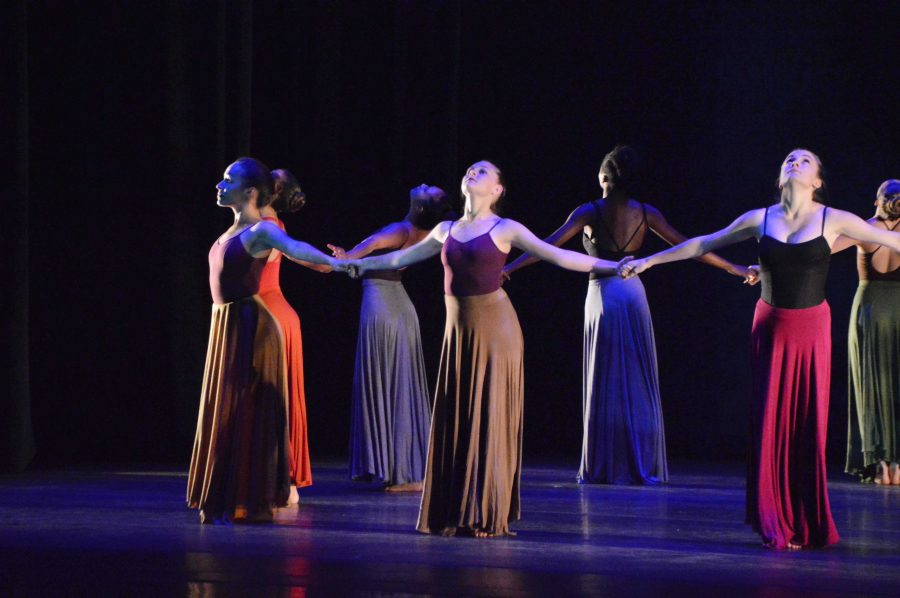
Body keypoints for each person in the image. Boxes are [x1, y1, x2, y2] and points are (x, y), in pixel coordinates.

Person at [618, 149, 900, 549]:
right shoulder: (760, 218)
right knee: (770, 419)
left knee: (807, 423)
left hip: (811, 328)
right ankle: (773, 518)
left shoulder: (833, 218)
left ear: (817, 181)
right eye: (790, 159)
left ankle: (804, 517)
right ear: (779, 173)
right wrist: (649, 262)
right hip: (770, 325)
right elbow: (702, 243)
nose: (795, 163)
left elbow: (889, 238)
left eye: (805, 161)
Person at [346, 161, 619, 537]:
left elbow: (558, 255)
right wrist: (348, 262)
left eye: (484, 171)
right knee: (459, 419)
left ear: (497, 190)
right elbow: (396, 259)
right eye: (471, 169)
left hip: (495, 330)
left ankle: (486, 512)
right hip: (458, 333)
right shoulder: (445, 230)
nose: (474, 172)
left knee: (487, 419)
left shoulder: (504, 228)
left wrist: (613, 265)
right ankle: (457, 509)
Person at [504, 146, 753, 485]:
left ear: (603, 177)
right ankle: (641, 460)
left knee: (605, 375)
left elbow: (547, 246)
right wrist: (733, 268)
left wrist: (509, 268)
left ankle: (606, 461)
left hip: (603, 295)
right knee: (635, 374)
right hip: (634, 294)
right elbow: (691, 246)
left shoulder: (589, 211)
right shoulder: (646, 213)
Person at [187, 157, 343, 524]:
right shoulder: (240, 228)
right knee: (238, 407)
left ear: (253, 192)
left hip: (258, 319)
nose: (219, 186)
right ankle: (241, 486)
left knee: (256, 407)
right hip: (230, 321)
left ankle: (269, 485)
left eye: (228, 180)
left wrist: (341, 263)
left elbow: (300, 252)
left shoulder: (265, 228)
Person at [328, 184, 454, 492]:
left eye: (429, 190)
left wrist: (347, 258)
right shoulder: (429, 235)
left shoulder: (401, 229)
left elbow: (369, 247)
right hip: (399, 302)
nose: (423, 184)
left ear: (421, 208)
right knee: (400, 382)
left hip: (381, 302)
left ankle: (399, 470)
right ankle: (408, 469)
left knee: (387, 378)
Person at [257, 169, 328, 504]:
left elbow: (304, 255)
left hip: (268, 316)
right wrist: (329, 263)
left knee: (268, 398)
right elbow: (307, 259)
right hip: (274, 314)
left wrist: (330, 262)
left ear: (274, 189)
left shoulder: (268, 228)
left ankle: (281, 479)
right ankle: (280, 479)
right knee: (271, 397)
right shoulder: (269, 226)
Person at [836, 179, 900, 484]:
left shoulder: (862, 228)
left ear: (877, 201)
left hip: (870, 308)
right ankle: (896, 464)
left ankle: (880, 464)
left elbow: (820, 251)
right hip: (894, 308)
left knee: (871, 382)